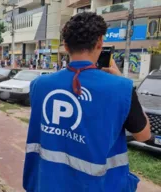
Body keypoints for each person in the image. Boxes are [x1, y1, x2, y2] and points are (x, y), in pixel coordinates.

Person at [23, 12, 151, 192]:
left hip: (46, 184)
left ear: (66, 46)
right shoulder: (121, 88)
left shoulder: (39, 85)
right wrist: (121, 80)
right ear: (100, 42)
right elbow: (143, 135)